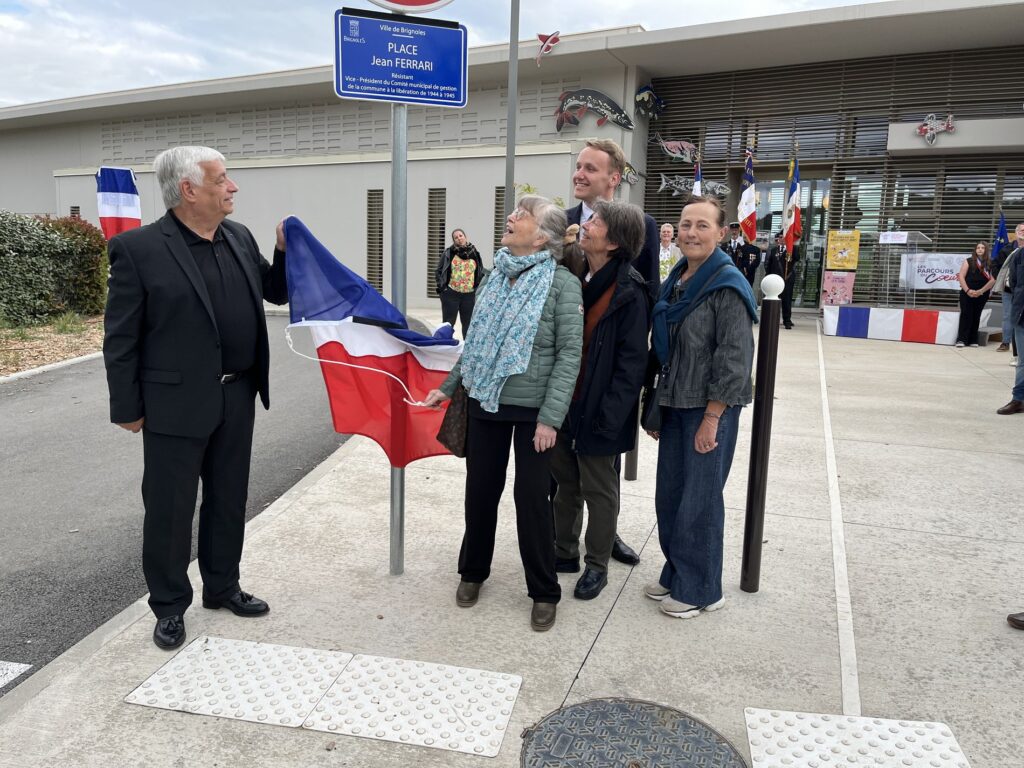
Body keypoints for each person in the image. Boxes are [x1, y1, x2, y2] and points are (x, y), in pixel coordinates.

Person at [103, 146, 288, 649]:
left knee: (228, 499)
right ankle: (168, 606)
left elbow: (273, 292)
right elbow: (121, 336)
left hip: (238, 394)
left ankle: (222, 586)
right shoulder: (140, 249)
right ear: (189, 190)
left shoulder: (238, 236)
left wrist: (284, 252)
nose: (233, 187)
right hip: (173, 405)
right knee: (169, 509)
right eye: (222, 179)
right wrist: (128, 408)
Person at [423, 195, 583, 632]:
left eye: (522, 215)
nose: (511, 218)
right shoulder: (492, 277)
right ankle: (473, 572)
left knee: (532, 499)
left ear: (543, 236)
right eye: (513, 213)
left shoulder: (563, 284)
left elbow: (570, 355)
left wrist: (551, 417)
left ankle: (544, 591)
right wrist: (448, 387)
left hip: (535, 412)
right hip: (485, 402)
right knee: (480, 493)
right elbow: (475, 345)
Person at [644, 196, 758, 619]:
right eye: (686, 224)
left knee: (700, 501)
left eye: (702, 226)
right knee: (670, 496)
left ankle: (703, 589)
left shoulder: (726, 285)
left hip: (710, 408)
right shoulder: (679, 278)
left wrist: (712, 418)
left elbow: (734, 360)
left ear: (722, 232)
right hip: (676, 402)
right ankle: (678, 572)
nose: (691, 232)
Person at [551, 201, 651, 601]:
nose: (585, 225)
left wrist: (609, 417)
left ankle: (596, 566)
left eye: (595, 222)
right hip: (564, 404)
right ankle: (564, 552)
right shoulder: (577, 274)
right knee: (565, 485)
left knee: (600, 490)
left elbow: (632, 367)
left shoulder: (630, 290)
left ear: (613, 242)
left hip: (599, 411)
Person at [564, 137, 656, 565]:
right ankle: (563, 541)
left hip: (608, 369)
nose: (579, 174)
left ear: (613, 178)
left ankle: (603, 540)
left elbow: (645, 296)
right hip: (568, 378)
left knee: (602, 472)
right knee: (564, 476)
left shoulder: (641, 227)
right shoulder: (560, 223)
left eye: (590, 168)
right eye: (578, 166)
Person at [435, 228, 484, 338]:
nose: (459, 238)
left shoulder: (474, 253)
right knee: (448, 324)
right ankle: (446, 347)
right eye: (456, 237)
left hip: (469, 295)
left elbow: (479, 271)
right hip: (451, 294)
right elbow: (438, 271)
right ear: (454, 240)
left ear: (465, 237)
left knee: (468, 325)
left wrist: (477, 287)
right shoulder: (449, 253)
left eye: (460, 235)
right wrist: (443, 289)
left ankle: (467, 351)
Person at [996, 232, 1024, 415]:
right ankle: (1018, 400)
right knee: (1022, 361)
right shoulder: (1018, 255)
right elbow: (1012, 283)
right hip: (1021, 315)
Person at [955, 242, 994, 348]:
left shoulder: (991, 263)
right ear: (975, 249)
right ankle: (961, 339)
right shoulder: (968, 261)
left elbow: (993, 280)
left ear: (986, 250)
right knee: (966, 314)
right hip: (967, 292)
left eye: (982, 248)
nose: (980, 249)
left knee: (976, 315)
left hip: (982, 293)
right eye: (978, 248)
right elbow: (961, 276)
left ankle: (973, 339)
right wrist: (968, 290)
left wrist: (981, 291)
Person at [992, 223, 1024, 352]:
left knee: (1020, 318)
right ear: (1016, 232)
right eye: (1021, 229)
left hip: (1022, 291)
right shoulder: (1006, 249)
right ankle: (1005, 342)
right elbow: (995, 265)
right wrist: (1002, 279)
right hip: (1009, 290)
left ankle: (1019, 348)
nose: (1023, 231)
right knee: (1007, 316)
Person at [766, 232, 799, 328]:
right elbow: (769, 265)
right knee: (774, 300)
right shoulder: (773, 250)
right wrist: (768, 277)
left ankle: (787, 321)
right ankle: (772, 320)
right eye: (780, 237)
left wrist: (791, 247)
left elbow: (797, 258)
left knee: (786, 301)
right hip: (775, 279)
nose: (782, 239)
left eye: (784, 237)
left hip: (787, 279)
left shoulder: (793, 249)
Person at [723, 221, 761, 287]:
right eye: (732, 230)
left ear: (739, 230)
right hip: (728, 277)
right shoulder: (724, 246)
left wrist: (745, 270)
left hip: (742, 276)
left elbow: (750, 260)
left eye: (736, 230)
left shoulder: (746, 246)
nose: (734, 232)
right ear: (730, 231)